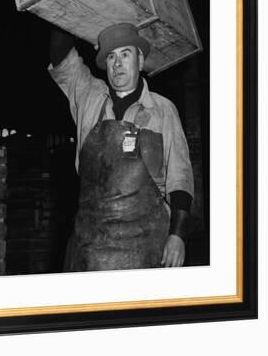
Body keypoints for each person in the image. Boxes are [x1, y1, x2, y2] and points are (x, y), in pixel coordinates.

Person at [49, 23, 194, 272]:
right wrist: (68, 8)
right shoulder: (90, 97)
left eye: (125, 54)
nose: (117, 64)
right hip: (89, 248)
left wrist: (178, 235)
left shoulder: (162, 110)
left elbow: (180, 178)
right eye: (111, 57)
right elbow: (61, 58)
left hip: (147, 247)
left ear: (139, 61)